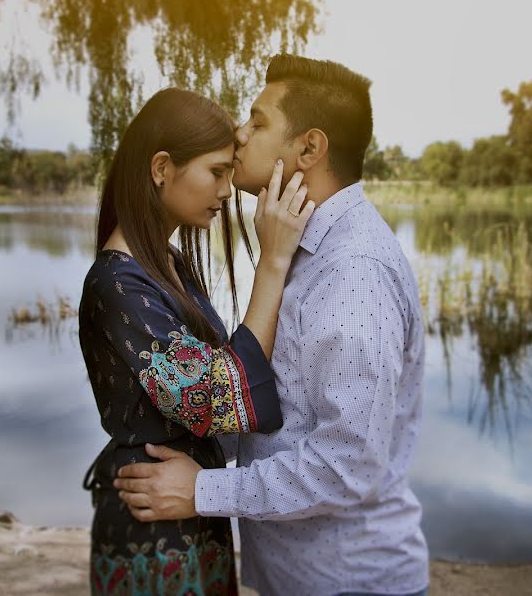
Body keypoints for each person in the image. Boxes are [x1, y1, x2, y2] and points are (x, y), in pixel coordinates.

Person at [115, 55, 430, 596]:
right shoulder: (304, 247)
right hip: (299, 577)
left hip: (347, 581)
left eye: (258, 122)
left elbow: (348, 465)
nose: (239, 134)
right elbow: (283, 414)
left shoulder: (354, 273)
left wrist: (204, 490)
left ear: (309, 149)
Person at [77, 86, 314, 594]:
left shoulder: (166, 264)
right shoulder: (116, 284)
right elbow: (214, 396)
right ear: (162, 167)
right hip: (152, 525)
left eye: (230, 171)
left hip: (186, 507)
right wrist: (272, 263)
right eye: (216, 172)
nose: (227, 191)